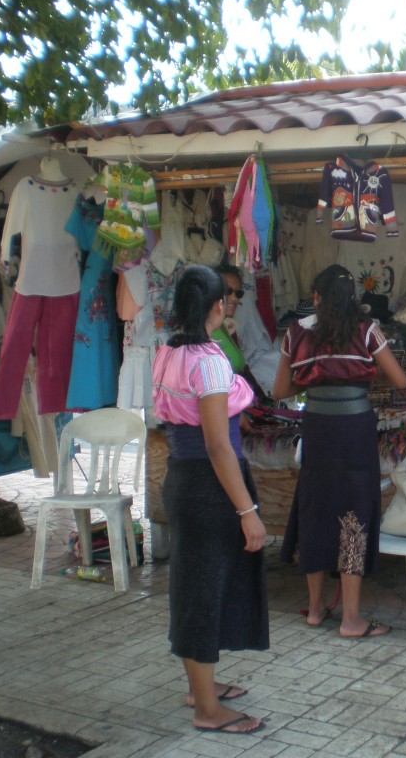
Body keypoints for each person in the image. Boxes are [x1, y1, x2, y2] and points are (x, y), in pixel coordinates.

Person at [151, 265, 268, 735]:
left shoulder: (167, 352)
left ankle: (203, 687)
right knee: (202, 591)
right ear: (218, 306)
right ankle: (206, 709)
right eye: (230, 298)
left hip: (183, 476)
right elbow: (219, 445)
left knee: (199, 585)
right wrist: (248, 512)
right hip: (209, 483)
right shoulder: (210, 360)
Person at [273, 264, 406, 638]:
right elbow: (400, 379)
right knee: (353, 514)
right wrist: (364, 374)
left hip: (317, 428)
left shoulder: (295, 334)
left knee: (315, 510)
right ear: (353, 298)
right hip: (354, 430)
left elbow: (280, 390)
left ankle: (316, 609)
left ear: (315, 297)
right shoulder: (367, 331)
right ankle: (351, 619)